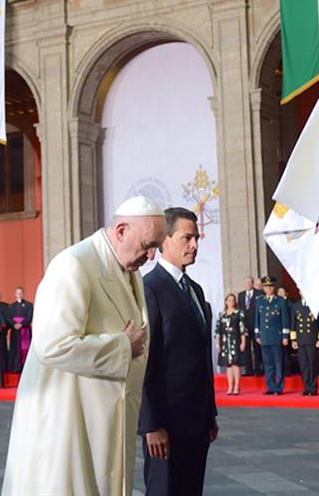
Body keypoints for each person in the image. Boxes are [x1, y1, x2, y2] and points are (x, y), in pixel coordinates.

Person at [2, 196, 166, 496]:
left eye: (156, 246)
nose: (151, 256)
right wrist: (121, 347)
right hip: (68, 420)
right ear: (121, 231)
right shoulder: (74, 264)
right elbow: (52, 344)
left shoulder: (130, 270)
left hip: (103, 418)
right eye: (147, 245)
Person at [139, 206, 217, 496]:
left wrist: (209, 414)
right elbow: (145, 362)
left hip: (197, 423)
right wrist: (151, 424)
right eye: (187, 238)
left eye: (196, 238)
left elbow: (200, 357)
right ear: (165, 240)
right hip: (165, 426)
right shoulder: (150, 288)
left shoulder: (196, 290)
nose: (195, 244)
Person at [254, 275, 290, 395]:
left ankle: (279, 387)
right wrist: (257, 334)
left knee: (278, 363)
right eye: (266, 287)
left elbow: (285, 319)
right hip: (265, 336)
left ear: (273, 288)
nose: (268, 289)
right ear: (263, 288)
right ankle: (270, 386)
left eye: (270, 287)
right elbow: (257, 319)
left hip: (276, 336)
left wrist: (285, 336)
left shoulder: (280, 301)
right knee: (267, 363)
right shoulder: (259, 301)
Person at [290, 291, 319, 396]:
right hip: (301, 340)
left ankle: (313, 387)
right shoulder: (296, 306)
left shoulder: (316, 305)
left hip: (312, 339)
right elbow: (293, 324)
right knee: (304, 365)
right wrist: (293, 340)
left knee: (313, 364)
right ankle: (306, 387)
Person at [215, 293, 246, 395]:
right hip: (224, 342)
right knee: (228, 365)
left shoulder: (238, 313)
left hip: (235, 341)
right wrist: (217, 343)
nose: (231, 302)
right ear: (225, 302)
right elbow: (217, 331)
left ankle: (237, 386)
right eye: (229, 300)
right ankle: (230, 386)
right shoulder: (221, 315)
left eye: (233, 300)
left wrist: (243, 342)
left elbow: (242, 329)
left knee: (235, 364)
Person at [237, 276, 263, 376]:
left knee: (257, 348)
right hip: (245, 326)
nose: (248, 284)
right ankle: (248, 370)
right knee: (246, 348)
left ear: (252, 283)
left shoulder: (259, 293)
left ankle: (258, 369)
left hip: (256, 324)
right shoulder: (241, 295)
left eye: (249, 282)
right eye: (246, 283)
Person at [7, 286, 33, 373]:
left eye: (21, 293)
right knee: (15, 348)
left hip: (25, 330)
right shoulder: (11, 306)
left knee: (25, 348)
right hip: (15, 331)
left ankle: (25, 367)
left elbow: (29, 318)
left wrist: (21, 324)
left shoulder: (29, 305)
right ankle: (15, 367)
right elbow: (9, 318)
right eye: (17, 293)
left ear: (23, 294)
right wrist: (14, 324)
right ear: (15, 294)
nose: (19, 294)